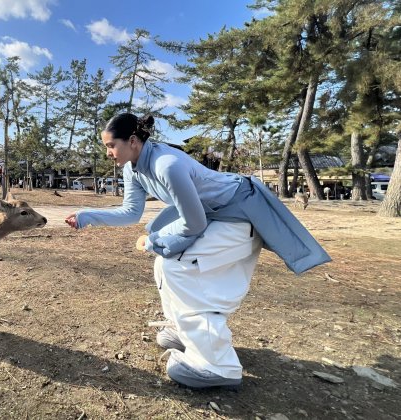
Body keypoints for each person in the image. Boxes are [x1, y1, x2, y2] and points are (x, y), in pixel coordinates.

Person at [65, 113, 330, 389]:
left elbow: (194, 223)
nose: (108, 153)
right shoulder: (133, 169)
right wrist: (87, 216)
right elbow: (131, 212)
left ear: (132, 141)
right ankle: (184, 331)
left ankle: (219, 366)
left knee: (177, 267)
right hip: (213, 217)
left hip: (238, 216)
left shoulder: (167, 165)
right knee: (163, 265)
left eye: (111, 146)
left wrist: (155, 241)